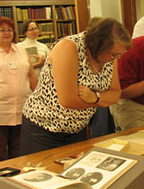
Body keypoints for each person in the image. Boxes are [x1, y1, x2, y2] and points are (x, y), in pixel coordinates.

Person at [20, 18, 132, 155]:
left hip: (77, 129)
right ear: (99, 45)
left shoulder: (110, 55)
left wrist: (95, 97)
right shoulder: (68, 47)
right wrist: (101, 100)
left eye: (120, 54)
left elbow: (115, 94)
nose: (116, 58)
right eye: (114, 54)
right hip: (44, 128)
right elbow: (68, 100)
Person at [0, 16, 37, 164]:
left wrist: (37, 97)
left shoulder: (21, 50)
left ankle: (15, 181)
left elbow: (31, 75)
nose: (6, 33)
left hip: (22, 107)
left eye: (9, 30)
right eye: (2, 30)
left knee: (19, 149)